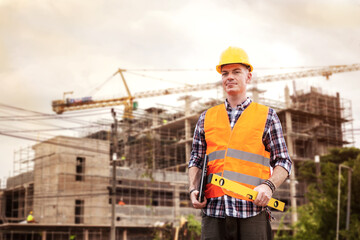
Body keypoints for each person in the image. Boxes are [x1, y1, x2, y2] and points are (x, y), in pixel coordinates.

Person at [188, 46, 292, 240]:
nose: (230, 77)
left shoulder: (267, 116)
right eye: (225, 73)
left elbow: (284, 162)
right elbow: (195, 160)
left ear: (248, 77)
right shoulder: (206, 118)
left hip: (251, 212)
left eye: (236, 72)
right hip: (213, 214)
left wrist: (268, 186)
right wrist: (193, 189)